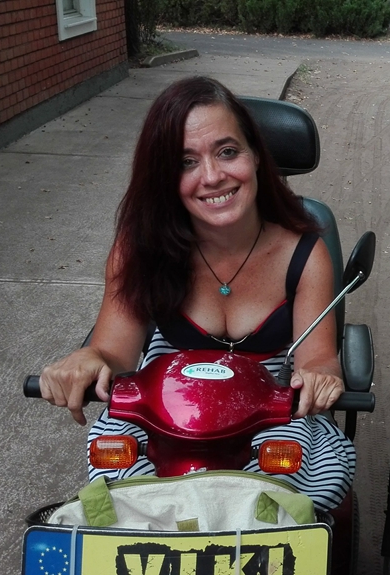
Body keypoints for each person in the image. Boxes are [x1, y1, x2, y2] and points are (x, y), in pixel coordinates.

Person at [38, 76, 355, 513]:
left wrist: (320, 376)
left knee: (290, 502)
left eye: (227, 152)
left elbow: (316, 359)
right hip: (164, 405)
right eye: (186, 162)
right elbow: (112, 353)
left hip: (272, 407)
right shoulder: (139, 248)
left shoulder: (304, 253)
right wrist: (87, 359)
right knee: (125, 499)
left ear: (256, 155)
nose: (211, 177)